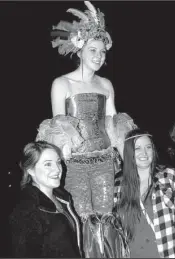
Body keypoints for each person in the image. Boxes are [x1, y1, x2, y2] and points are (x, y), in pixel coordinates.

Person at [36, 1, 135, 257]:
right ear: (79, 49)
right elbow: (58, 125)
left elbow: (114, 124)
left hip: (104, 161)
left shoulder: (106, 84)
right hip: (76, 164)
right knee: (81, 218)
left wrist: (128, 160)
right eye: (93, 50)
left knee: (105, 217)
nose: (99, 56)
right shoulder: (61, 84)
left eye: (103, 52)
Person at [116, 128, 175, 258]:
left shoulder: (170, 177)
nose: (144, 153)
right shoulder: (118, 185)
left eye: (148, 147)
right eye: (138, 148)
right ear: (129, 153)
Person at [9, 141, 81, 258]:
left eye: (58, 162)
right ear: (30, 170)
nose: (57, 169)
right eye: (48, 164)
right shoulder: (27, 210)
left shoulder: (63, 199)